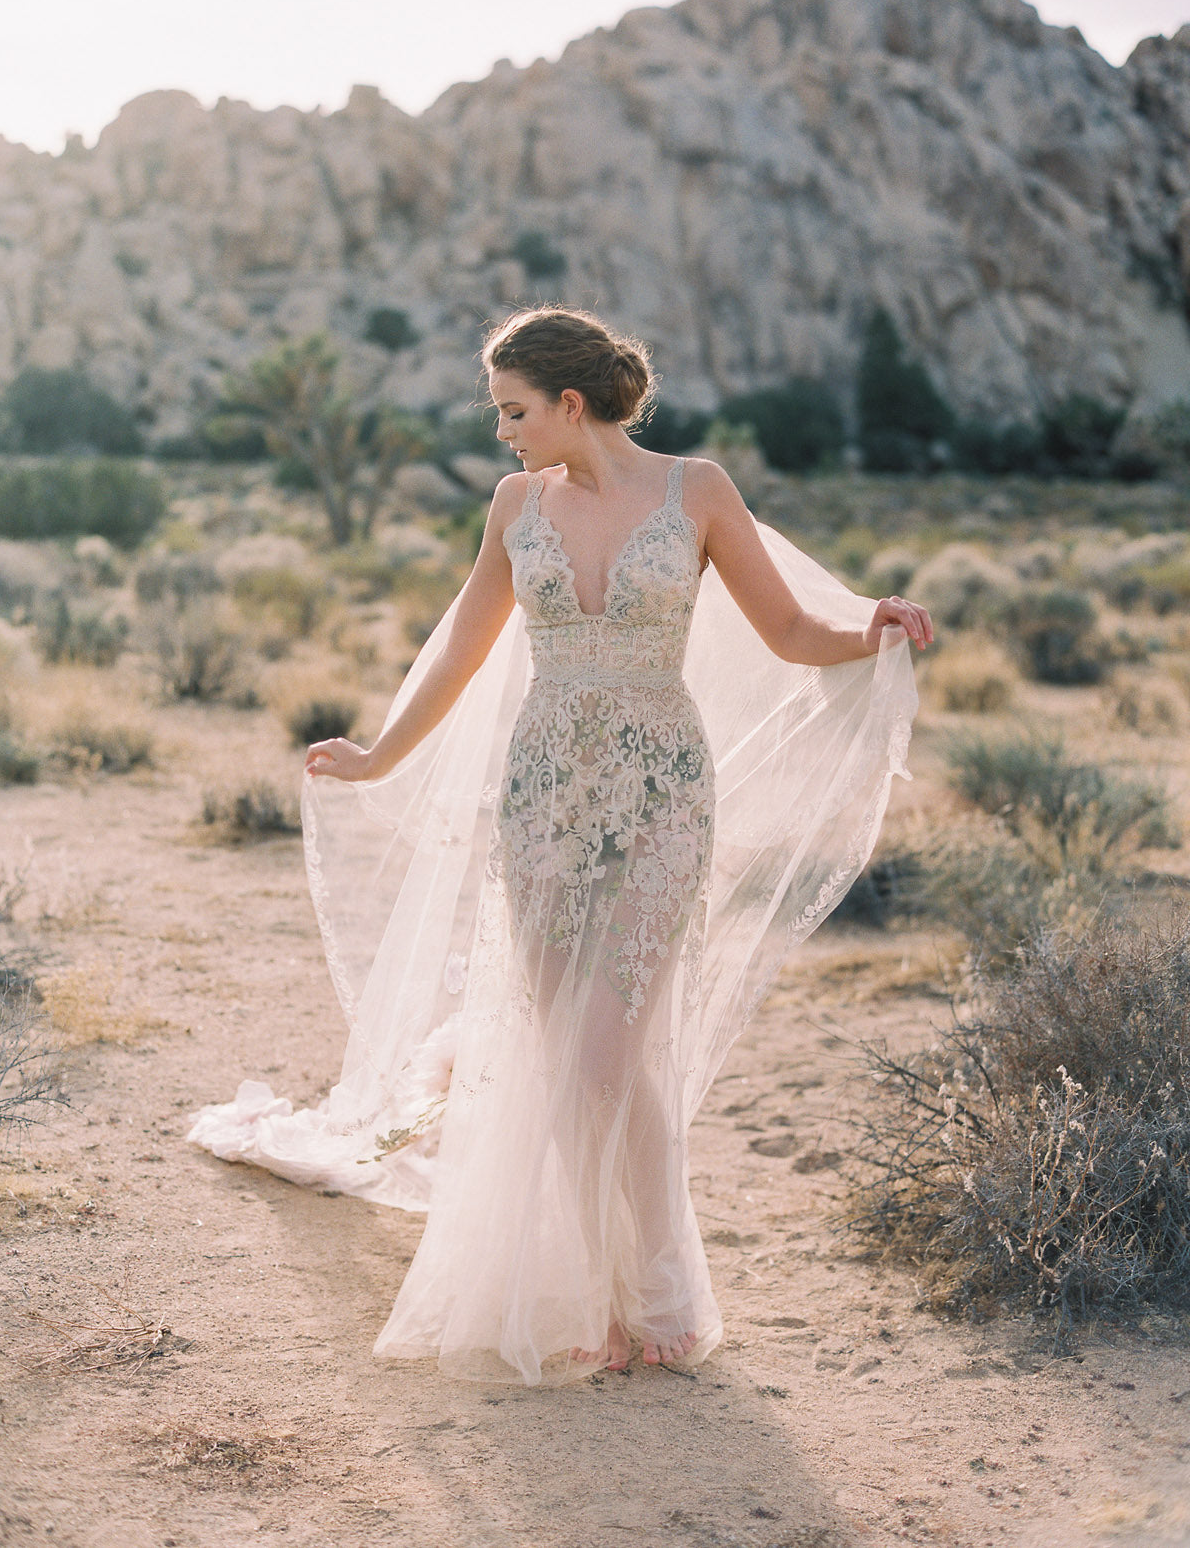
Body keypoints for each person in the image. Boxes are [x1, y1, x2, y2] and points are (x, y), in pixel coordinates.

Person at [190, 306, 930, 1385]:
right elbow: (462, 643)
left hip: (661, 798)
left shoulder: (698, 491)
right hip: (540, 802)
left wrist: (870, 625)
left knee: (604, 1054)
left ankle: (657, 1290)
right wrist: (381, 754)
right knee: (569, 1056)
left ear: (570, 404)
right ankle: (595, 1293)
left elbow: (788, 631)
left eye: (513, 411)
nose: (502, 433)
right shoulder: (513, 504)